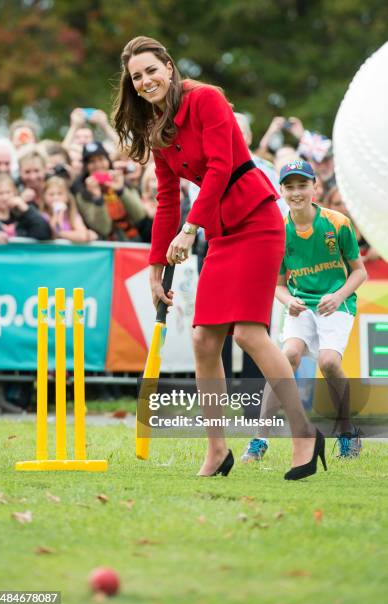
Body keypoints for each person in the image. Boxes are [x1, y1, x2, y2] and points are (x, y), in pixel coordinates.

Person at [113, 35, 326, 481]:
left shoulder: (206, 99)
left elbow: (219, 167)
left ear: (169, 67)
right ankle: (216, 450)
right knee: (203, 342)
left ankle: (304, 433)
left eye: (152, 70)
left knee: (249, 334)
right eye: (137, 77)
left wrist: (191, 231)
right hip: (221, 233)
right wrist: (156, 267)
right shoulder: (158, 128)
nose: (146, 80)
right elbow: (168, 197)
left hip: (256, 220)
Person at [242, 160, 367, 462]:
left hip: (336, 305)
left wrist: (337, 296)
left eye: (302, 185)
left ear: (314, 187)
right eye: (290, 186)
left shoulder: (337, 223)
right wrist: (287, 301)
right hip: (299, 306)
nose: (296, 192)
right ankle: (260, 439)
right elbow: (277, 284)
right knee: (287, 358)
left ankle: (348, 431)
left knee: (328, 362)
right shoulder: (278, 230)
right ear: (281, 190)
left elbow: (359, 272)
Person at [0, 173, 51, 242]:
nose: (5, 197)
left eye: (8, 192)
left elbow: (43, 233)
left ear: (14, 193)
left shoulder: (22, 216)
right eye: (0, 193)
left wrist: (26, 209)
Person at [41, 176, 98, 243]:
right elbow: (54, 233)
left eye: (60, 194)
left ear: (67, 197)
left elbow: (83, 235)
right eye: (51, 194)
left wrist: (61, 234)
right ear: (44, 197)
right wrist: (58, 213)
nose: (56, 197)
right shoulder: (43, 216)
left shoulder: (73, 214)